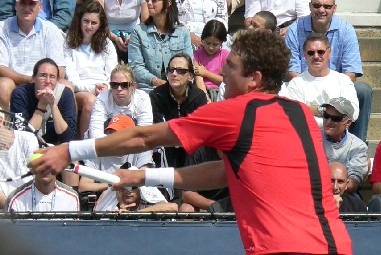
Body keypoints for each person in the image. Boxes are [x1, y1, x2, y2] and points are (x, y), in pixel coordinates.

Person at [32, 30, 352, 254]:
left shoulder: (235, 112)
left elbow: (144, 135)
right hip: (336, 244)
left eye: (231, 67)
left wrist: (67, 149)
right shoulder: (300, 115)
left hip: (284, 250)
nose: (221, 74)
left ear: (254, 79)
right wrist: (143, 176)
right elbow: (228, 173)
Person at [285, 0, 372, 142]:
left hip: (338, 85)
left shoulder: (346, 30)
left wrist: (332, 93)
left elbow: (351, 72)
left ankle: (356, 145)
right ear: (310, 7)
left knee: (362, 91)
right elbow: (291, 71)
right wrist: (312, 84)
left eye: (327, 6)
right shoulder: (294, 30)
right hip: (305, 82)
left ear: (334, 8)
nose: (321, 10)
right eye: (317, 5)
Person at [64, 0, 118, 139]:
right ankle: (85, 148)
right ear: (79, 20)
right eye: (86, 21)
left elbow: (113, 73)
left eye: (94, 23)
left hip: (105, 89)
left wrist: (106, 86)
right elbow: (72, 79)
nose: (89, 26)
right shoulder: (68, 43)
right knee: (90, 101)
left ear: (100, 24)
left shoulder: (107, 44)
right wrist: (94, 89)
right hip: (80, 91)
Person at [0, 0, 65, 111]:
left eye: (31, 4)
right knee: (4, 85)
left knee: (66, 86)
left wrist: (42, 82)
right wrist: (32, 80)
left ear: (40, 7)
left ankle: (64, 128)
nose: (26, 8)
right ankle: (6, 126)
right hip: (13, 84)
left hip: (45, 83)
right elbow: (1, 68)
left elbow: (60, 69)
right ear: (15, 5)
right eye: (23, 3)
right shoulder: (2, 28)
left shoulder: (51, 30)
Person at [80, 114, 154, 210]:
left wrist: (115, 186)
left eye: (117, 133)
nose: (113, 137)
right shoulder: (97, 150)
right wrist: (111, 186)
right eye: (110, 132)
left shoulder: (142, 149)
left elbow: (143, 181)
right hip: (106, 207)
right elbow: (83, 186)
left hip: (134, 205)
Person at [285, 33, 359, 128]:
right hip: (309, 138)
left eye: (321, 52)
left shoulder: (343, 80)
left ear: (329, 53)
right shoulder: (296, 83)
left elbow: (353, 113)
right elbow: (296, 116)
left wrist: (312, 110)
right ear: (304, 55)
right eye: (311, 53)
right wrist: (333, 113)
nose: (316, 56)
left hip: (338, 139)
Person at [149, 53, 207, 168]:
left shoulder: (199, 96)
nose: (174, 74)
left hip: (189, 143)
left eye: (180, 71)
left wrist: (183, 139)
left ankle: (190, 184)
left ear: (190, 76)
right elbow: (158, 125)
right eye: (171, 70)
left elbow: (200, 128)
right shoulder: (156, 95)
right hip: (166, 142)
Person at [128, 0, 193, 93]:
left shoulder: (183, 32)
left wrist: (176, 84)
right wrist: (156, 81)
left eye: (154, 0)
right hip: (148, 89)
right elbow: (135, 66)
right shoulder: (138, 31)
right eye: (147, 0)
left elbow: (189, 64)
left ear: (168, 3)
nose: (149, 3)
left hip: (178, 89)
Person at [10, 58, 77, 145]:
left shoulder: (65, 94)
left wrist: (53, 105)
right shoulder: (20, 94)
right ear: (33, 78)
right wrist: (42, 104)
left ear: (57, 81)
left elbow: (67, 138)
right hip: (28, 148)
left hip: (55, 147)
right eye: (43, 76)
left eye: (52, 77)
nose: (48, 81)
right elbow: (22, 138)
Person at [86, 63, 153, 139]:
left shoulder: (142, 98)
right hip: (107, 143)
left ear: (133, 86)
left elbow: (144, 132)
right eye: (114, 85)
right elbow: (95, 133)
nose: (119, 89)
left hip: (134, 143)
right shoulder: (102, 99)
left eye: (124, 85)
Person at [322, 97, 368, 194]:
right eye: (326, 116)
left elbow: (355, 179)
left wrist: (337, 187)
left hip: (345, 194)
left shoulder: (358, 147)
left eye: (335, 118)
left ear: (348, 123)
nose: (328, 121)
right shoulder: (311, 139)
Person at [0, 108, 39, 209]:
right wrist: (14, 209)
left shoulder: (28, 139)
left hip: (35, 202)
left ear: (1, 120)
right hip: (7, 211)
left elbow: (37, 176)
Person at [179, 147, 231, 213]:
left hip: (232, 204)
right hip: (202, 205)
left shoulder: (242, 153)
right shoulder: (197, 151)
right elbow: (187, 194)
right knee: (186, 209)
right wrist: (214, 206)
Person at [4, 170, 79, 212]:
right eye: (40, 164)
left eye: (49, 165)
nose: (44, 169)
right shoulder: (15, 198)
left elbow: (73, 234)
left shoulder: (71, 197)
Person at [193, 19, 229, 98]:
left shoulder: (225, 56)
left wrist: (206, 73)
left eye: (215, 44)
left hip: (221, 92)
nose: (211, 47)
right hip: (202, 92)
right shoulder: (197, 55)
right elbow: (199, 81)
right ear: (203, 40)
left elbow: (227, 81)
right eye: (208, 43)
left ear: (221, 43)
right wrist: (205, 97)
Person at [0, 0, 76, 32]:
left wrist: (43, 31)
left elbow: (65, 15)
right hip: (18, 29)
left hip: (53, 29)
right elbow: (5, 14)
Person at [244, 0, 310, 37]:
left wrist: (290, 30)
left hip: (290, 26)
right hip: (262, 27)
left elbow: (304, 17)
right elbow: (250, 17)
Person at [94, 184, 178, 212]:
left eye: (133, 188)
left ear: (141, 190)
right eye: (124, 188)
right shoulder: (111, 208)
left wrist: (137, 214)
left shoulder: (147, 203)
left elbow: (173, 207)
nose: (127, 192)